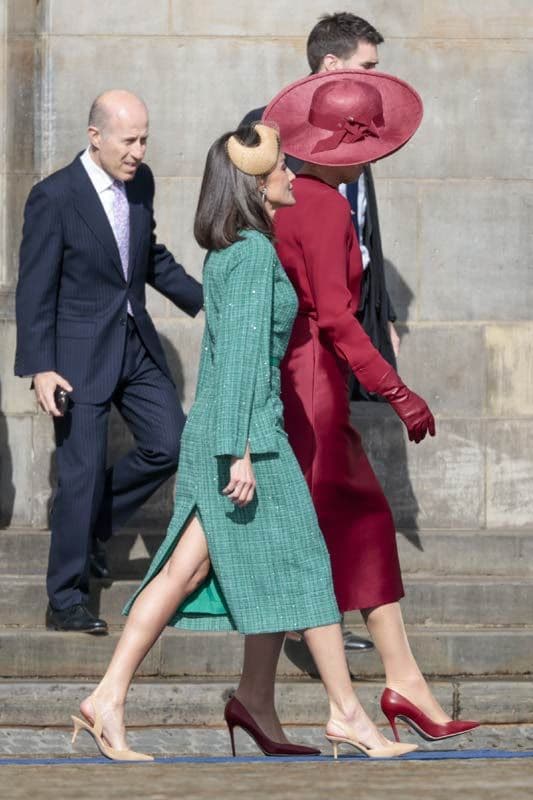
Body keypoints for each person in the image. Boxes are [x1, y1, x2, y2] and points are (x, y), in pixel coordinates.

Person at [72, 122, 418, 762]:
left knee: (183, 568)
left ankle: (106, 699)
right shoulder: (255, 256)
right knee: (308, 566)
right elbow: (238, 364)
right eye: (282, 169)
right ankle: (347, 716)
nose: (292, 174)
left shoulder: (229, 252)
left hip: (230, 429)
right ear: (258, 187)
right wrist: (238, 453)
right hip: (249, 438)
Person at [262, 69, 479, 742]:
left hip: (304, 376)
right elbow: (335, 316)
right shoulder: (321, 205)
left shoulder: (297, 196)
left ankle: (261, 697)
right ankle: (392, 687)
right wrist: (397, 389)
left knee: (310, 538)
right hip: (316, 384)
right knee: (347, 528)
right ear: (349, 146)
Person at [14, 91, 203, 634]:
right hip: (76, 355)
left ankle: (93, 523)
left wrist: (207, 298)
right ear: (95, 136)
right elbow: (34, 291)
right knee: (79, 474)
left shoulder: (139, 184)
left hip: (134, 347)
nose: (140, 151)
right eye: (130, 140)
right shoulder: (54, 197)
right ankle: (66, 599)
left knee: (172, 443)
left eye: (145, 139)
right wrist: (40, 367)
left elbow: (147, 259)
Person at [240, 11, 395, 653]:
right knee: (312, 497)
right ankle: (316, 630)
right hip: (300, 353)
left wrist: (375, 338)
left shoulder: (352, 142)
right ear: (330, 68)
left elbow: (361, 239)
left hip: (338, 347)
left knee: (326, 497)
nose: (375, 84)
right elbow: (255, 244)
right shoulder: (272, 137)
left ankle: (280, 666)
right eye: (366, 67)